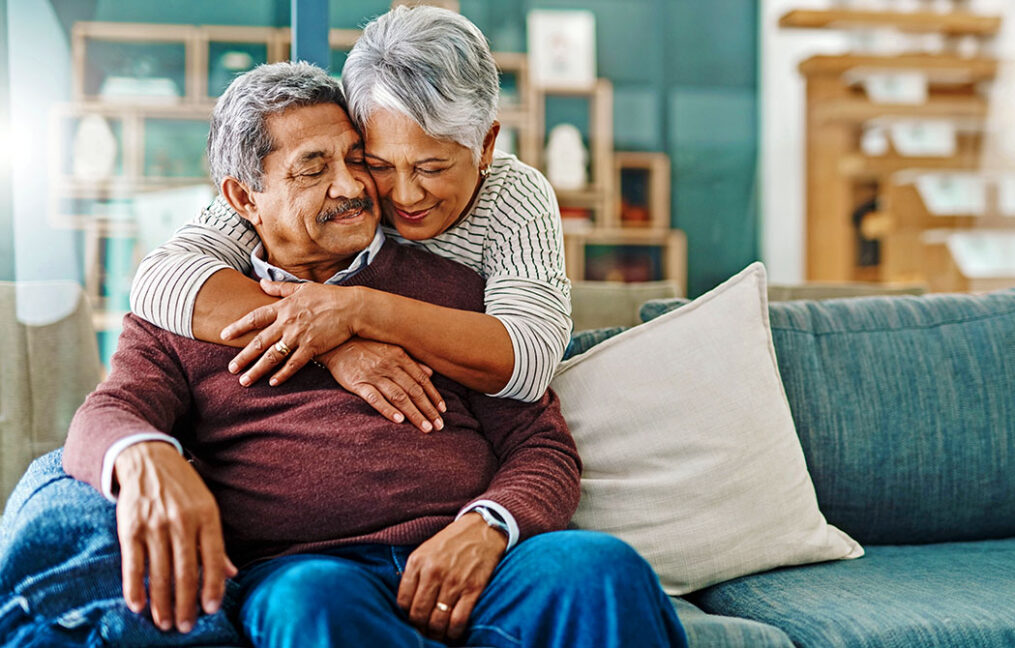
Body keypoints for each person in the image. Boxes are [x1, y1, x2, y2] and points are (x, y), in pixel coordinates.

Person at [55, 62, 688, 648]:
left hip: (476, 560)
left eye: (357, 158)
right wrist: (143, 459)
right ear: (245, 199)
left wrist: (489, 526)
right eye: (312, 169)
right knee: (310, 602)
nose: (352, 186)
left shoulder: (452, 290)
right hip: (313, 571)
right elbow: (104, 415)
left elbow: (541, 444)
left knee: (599, 569)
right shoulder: (184, 313)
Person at [129, 5, 571, 435]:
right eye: (377, 163)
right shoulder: (327, 189)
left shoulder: (514, 196)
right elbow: (160, 280)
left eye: (431, 168)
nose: (403, 195)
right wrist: (336, 342)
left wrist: (359, 310)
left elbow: (530, 361)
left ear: (486, 146)